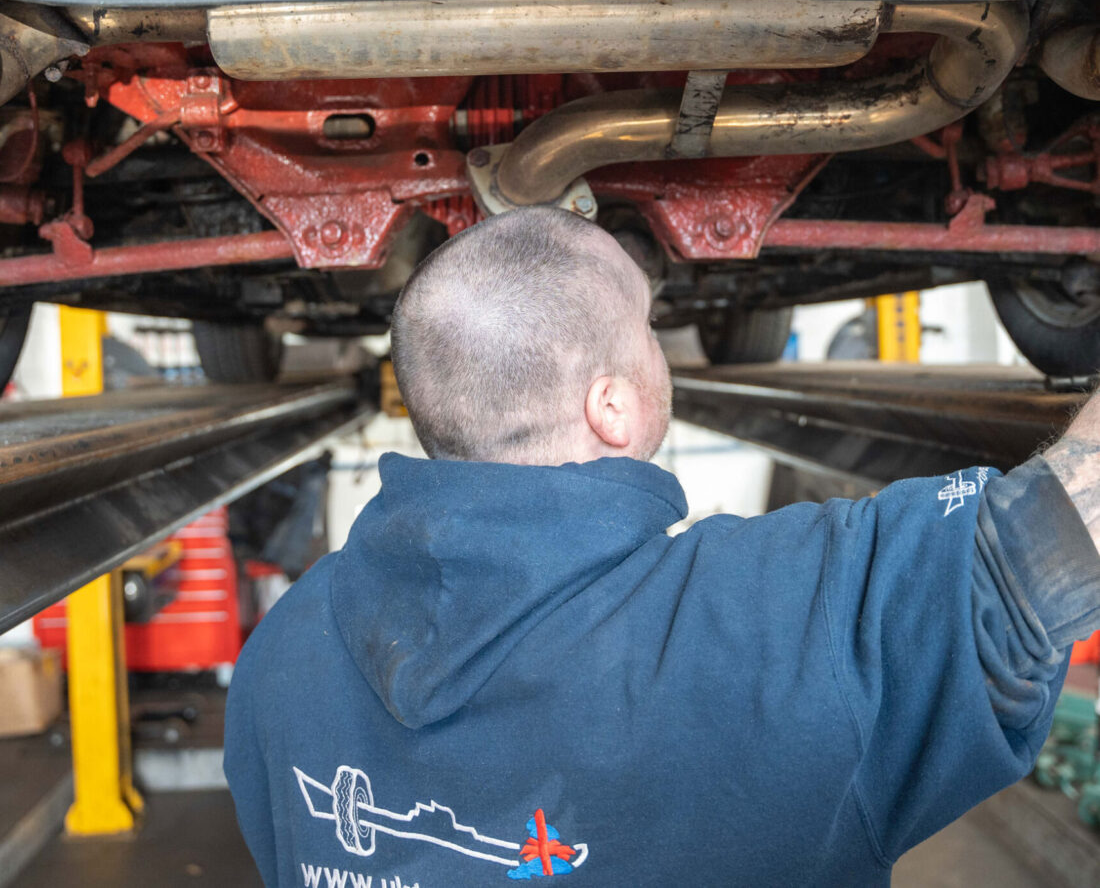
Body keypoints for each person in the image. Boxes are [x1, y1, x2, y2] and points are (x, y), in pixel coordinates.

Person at [225, 207, 1100, 887]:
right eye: (649, 328)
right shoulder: (788, 625)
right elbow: (1041, 558)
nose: (659, 347)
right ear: (611, 406)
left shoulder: (280, 653)